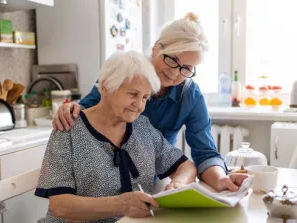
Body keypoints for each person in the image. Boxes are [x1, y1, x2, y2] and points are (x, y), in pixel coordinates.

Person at [52, 12, 248, 192]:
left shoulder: (190, 96)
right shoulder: (125, 73)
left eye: (186, 68)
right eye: (172, 59)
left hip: (146, 185)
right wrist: (70, 108)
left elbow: (205, 154)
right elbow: (87, 110)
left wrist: (222, 180)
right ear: (156, 48)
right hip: (99, 185)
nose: (175, 72)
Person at [35, 51, 197, 222]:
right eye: (133, 94)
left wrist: (178, 184)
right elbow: (59, 206)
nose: (139, 105)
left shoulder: (143, 127)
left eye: (145, 97)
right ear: (105, 86)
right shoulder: (68, 128)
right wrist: (121, 205)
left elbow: (186, 167)